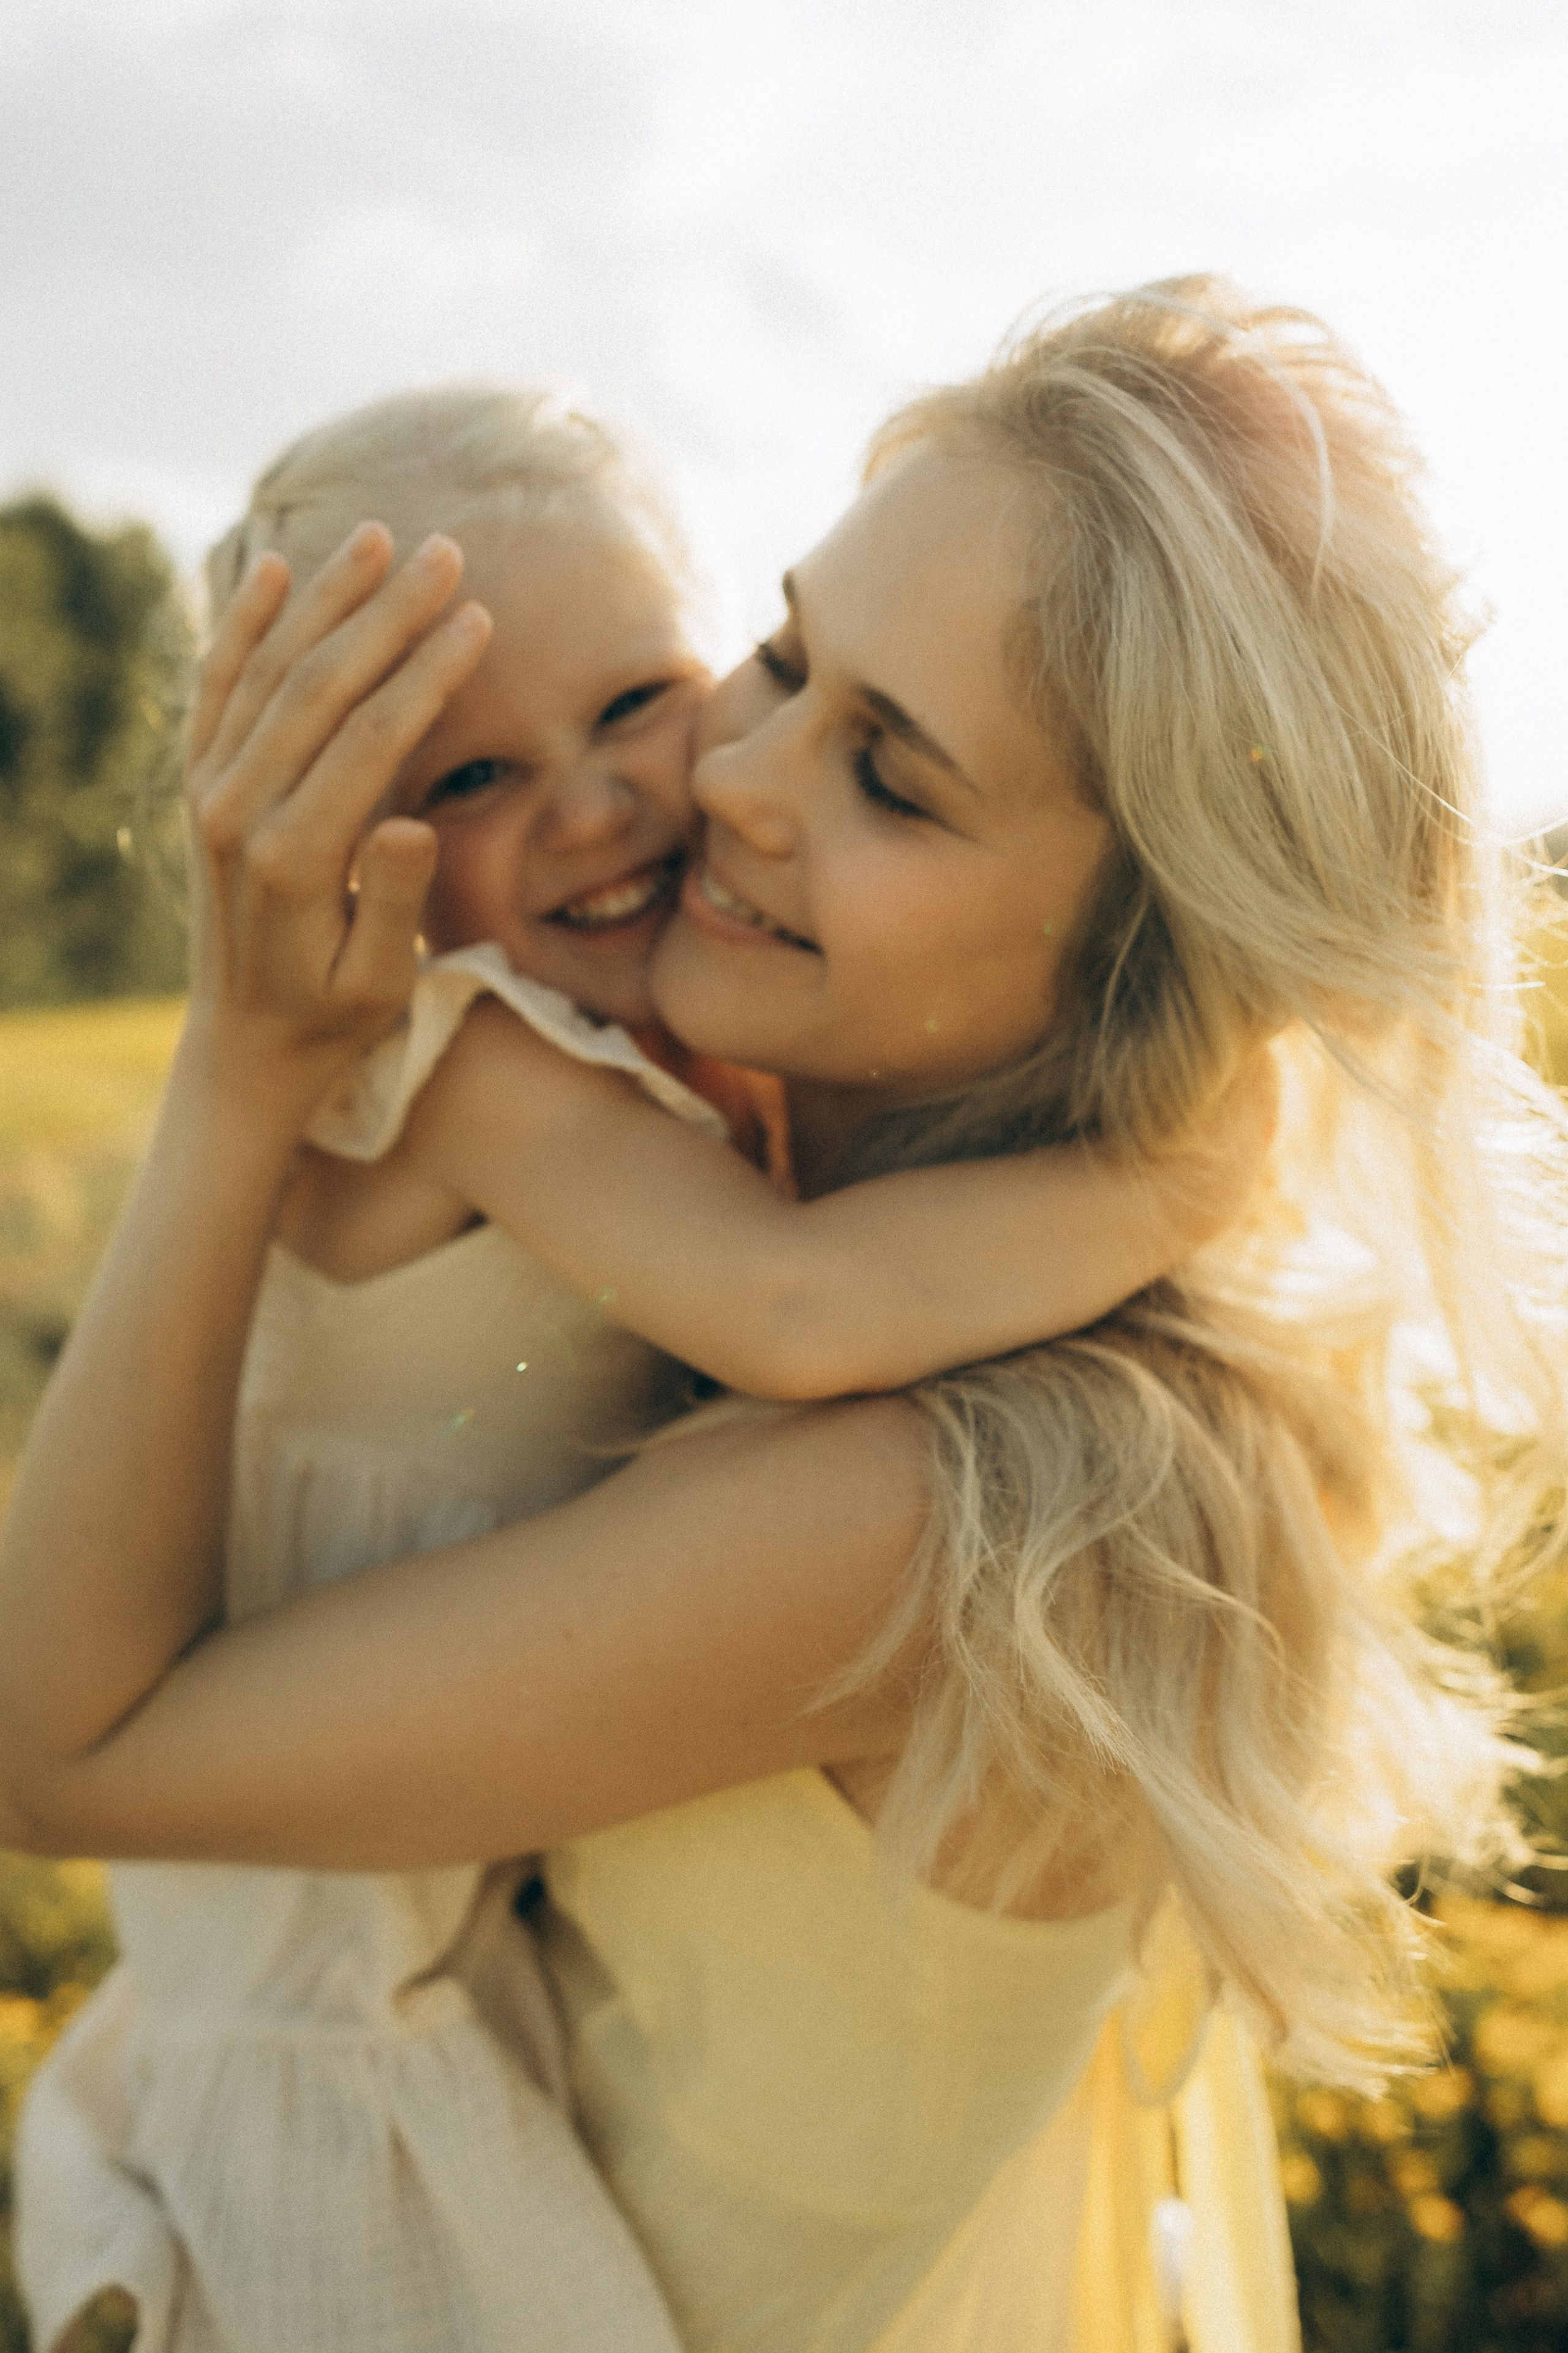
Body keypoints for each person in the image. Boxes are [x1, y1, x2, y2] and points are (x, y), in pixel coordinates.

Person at [2, 278, 1562, 2353]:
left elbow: (55, 1743)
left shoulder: (950, 1496)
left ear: (1139, 946)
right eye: (787, 656)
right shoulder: (759, 1178)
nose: (723, 781)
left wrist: (236, 1076)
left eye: (893, 780)